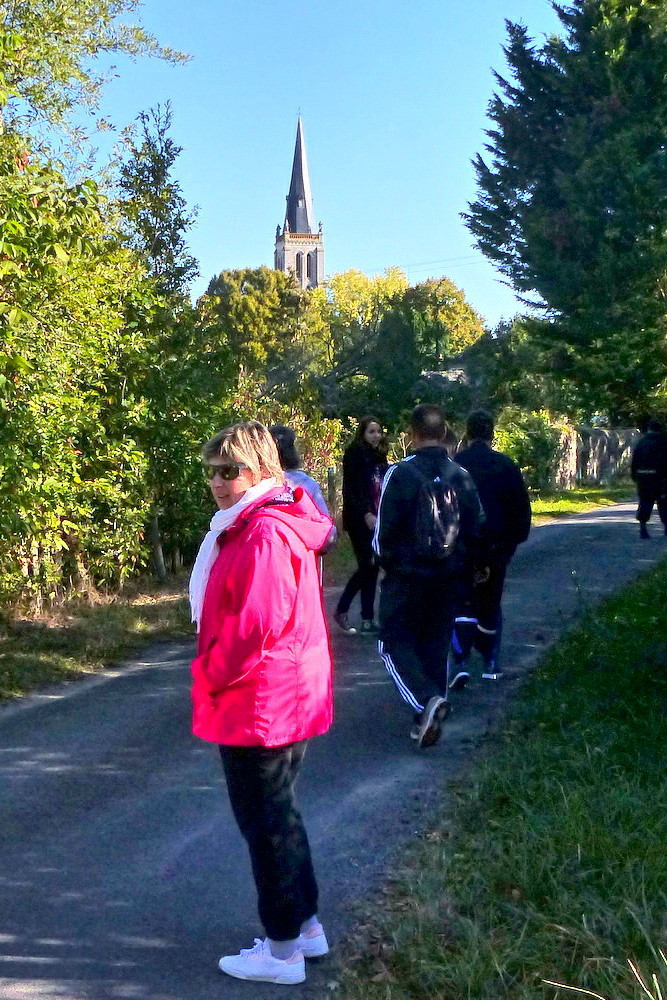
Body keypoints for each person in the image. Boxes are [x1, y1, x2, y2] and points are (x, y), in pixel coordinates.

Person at [189, 420, 334, 986]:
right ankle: (307, 929)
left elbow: (255, 626)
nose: (220, 483)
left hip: (261, 701)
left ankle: (281, 953)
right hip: (276, 695)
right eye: (213, 473)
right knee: (281, 818)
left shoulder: (264, 531)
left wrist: (210, 672)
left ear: (263, 470)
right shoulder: (255, 522)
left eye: (232, 471)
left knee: (267, 826)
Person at [373, 404, 486, 749]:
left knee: (392, 643)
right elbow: (476, 527)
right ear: (445, 432)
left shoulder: (400, 473)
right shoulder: (460, 474)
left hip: (408, 575)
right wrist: (477, 565)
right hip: (450, 575)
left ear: (413, 433)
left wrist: (385, 564)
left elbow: (382, 533)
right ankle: (428, 716)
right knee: (435, 644)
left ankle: (426, 702)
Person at [448, 410, 532, 688]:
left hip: (462, 549)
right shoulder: (505, 466)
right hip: (496, 548)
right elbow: (521, 511)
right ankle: (491, 663)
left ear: (468, 434)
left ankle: (460, 660)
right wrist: (510, 544)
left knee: (461, 602)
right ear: (492, 434)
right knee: (491, 603)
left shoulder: (455, 466)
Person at [334, 416, 388, 635]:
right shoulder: (355, 454)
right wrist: (365, 512)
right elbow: (353, 489)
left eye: (378, 431)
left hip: (377, 516)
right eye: (371, 432)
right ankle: (342, 609)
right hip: (359, 518)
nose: (376, 436)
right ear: (362, 434)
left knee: (373, 567)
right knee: (367, 564)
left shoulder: (380, 457)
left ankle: (368, 618)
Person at [631, 418, 667, 538]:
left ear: (648, 429)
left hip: (643, 476)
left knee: (645, 501)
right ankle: (666, 528)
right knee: (664, 503)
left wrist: (634, 475)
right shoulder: (664, 442)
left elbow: (634, 460)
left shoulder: (641, 442)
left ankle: (643, 528)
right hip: (660, 477)